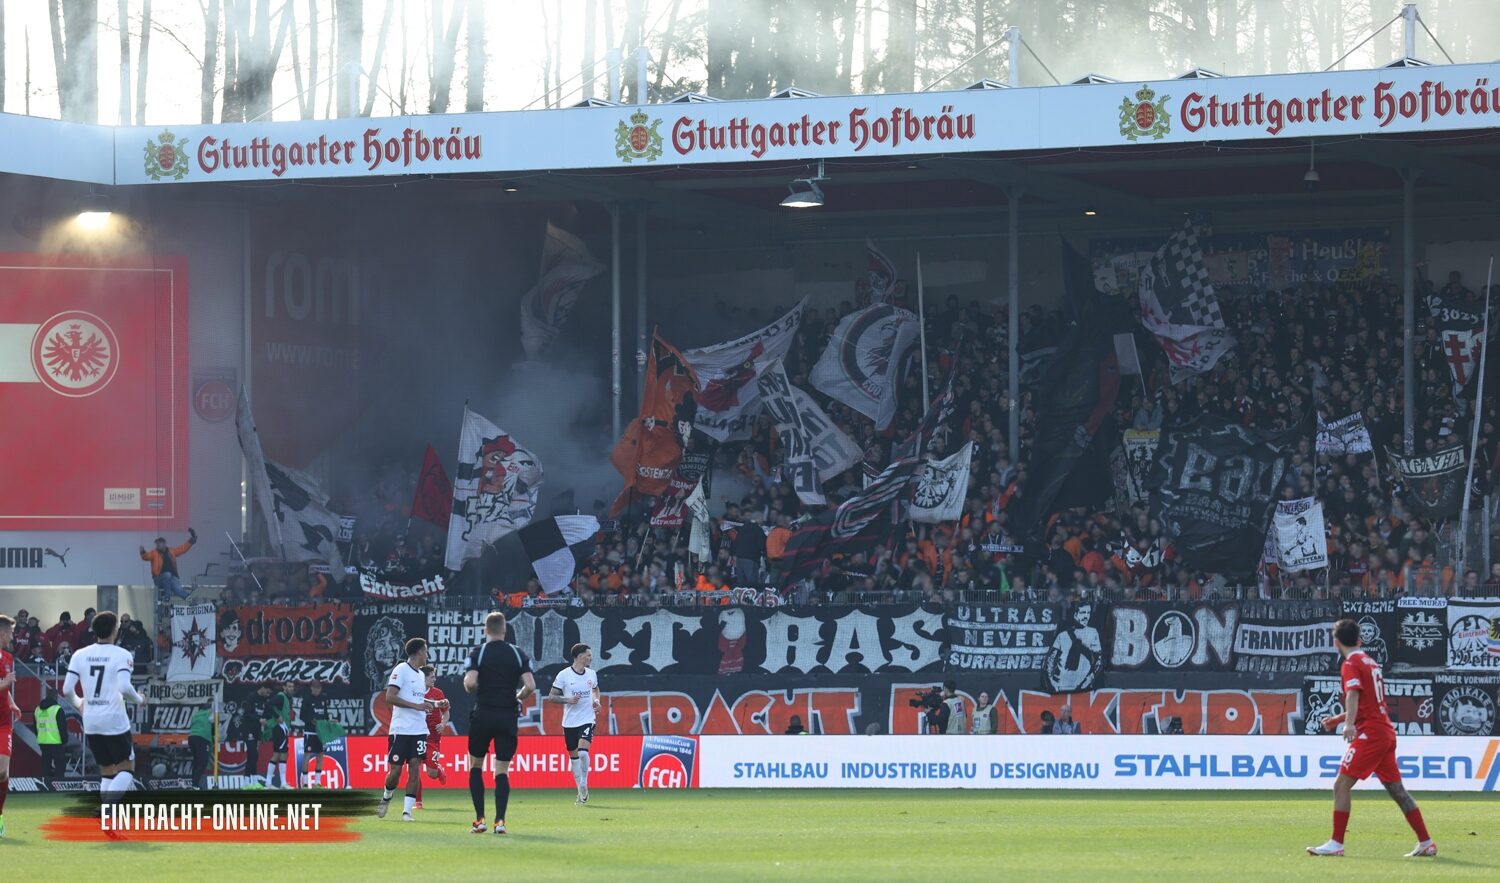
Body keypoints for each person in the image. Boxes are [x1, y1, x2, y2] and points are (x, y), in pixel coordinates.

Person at [1306, 618, 1435, 858]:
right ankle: (1426, 842)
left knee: (1341, 784)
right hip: (1384, 731)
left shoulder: (1350, 664)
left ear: (1336, 643)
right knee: (1397, 790)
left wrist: (1347, 725)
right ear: (1359, 639)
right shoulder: (1371, 662)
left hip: (1371, 734)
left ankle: (1336, 843)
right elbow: (1369, 703)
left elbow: (1353, 694)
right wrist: (1338, 719)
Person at [463, 611, 537, 835]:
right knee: (501, 770)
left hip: (483, 714)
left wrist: (476, 688)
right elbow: (530, 686)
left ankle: (480, 820)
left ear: (486, 630)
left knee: (476, 766)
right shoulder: (517, 653)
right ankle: (500, 822)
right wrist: (517, 696)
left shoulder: (479, 652)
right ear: (504, 630)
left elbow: (470, 682)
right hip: (507, 717)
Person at [62, 612, 145, 801]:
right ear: (115, 630)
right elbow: (124, 687)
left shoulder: (80, 654)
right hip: (114, 719)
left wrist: (78, 702)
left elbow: (67, 689)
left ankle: (107, 819)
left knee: (107, 771)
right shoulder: (122, 654)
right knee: (126, 769)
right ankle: (107, 809)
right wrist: (140, 699)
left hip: (91, 721)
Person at [378, 638, 435, 821]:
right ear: (418, 652)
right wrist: (416, 707)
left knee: (415, 768)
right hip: (401, 729)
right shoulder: (401, 670)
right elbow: (390, 697)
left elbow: (417, 701)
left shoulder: (420, 675)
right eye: (425, 650)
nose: (427, 654)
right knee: (395, 771)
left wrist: (434, 703)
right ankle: (387, 796)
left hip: (419, 730)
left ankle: (407, 812)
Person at [549, 643, 600, 805]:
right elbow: (551, 696)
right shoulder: (564, 675)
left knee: (583, 752)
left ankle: (584, 781)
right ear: (579, 657)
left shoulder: (591, 674)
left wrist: (596, 701)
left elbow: (595, 690)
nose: (591, 658)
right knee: (574, 757)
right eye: (588, 655)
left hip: (587, 719)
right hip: (569, 722)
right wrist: (567, 700)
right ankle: (580, 789)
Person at [413, 665, 450, 809]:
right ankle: (418, 802)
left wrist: (443, 723)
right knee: (414, 768)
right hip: (416, 735)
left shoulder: (438, 693)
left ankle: (438, 769)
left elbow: (446, 712)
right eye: (432, 677)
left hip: (433, 737)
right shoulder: (414, 693)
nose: (434, 679)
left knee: (432, 774)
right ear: (423, 678)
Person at [139, 529, 198, 600]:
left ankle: (187, 597)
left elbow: (182, 549)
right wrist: (142, 552)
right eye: (156, 544)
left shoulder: (171, 551)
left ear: (164, 544)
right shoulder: (154, 553)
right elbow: (146, 556)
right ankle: (167, 596)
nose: (157, 545)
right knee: (167, 574)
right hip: (158, 578)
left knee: (177, 586)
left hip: (172, 576)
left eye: (159, 543)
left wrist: (192, 540)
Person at [259, 681, 292, 789]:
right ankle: (272, 783)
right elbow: (268, 704)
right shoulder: (281, 696)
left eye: (292, 687)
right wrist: (277, 716)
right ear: (284, 687)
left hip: (284, 728)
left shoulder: (286, 698)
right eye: (289, 686)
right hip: (280, 728)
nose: (291, 688)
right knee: (278, 754)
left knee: (282, 754)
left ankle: (280, 783)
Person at [299, 681, 330, 788]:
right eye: (315, 688)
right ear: (311, 688)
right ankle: (306, 783)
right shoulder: (307, 699)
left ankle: (317, 782)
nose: (316, 690)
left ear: (321, 688)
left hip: (320, 733)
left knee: (320, 756)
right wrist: (311, 720)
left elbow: (325, 714)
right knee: (307, 756)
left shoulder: (323, 699)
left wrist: (327, 726)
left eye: (319, 688)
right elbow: (302, 716)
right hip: (310, 731)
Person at [0, 615, 15, 836]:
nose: (13, 636)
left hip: (3, 723)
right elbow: (4, 683)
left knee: (2, 771)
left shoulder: (8, 657)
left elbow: (5, 687)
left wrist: (13, 702)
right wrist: (4, 683)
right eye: (11, 633)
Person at [187, 706, 214, 790]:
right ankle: (195, 786)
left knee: (196, 762)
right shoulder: (210, 712)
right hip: (202, 738)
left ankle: (194, 785)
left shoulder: (196, 714)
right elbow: (214, 724)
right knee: (202, 762)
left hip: (191, 737)